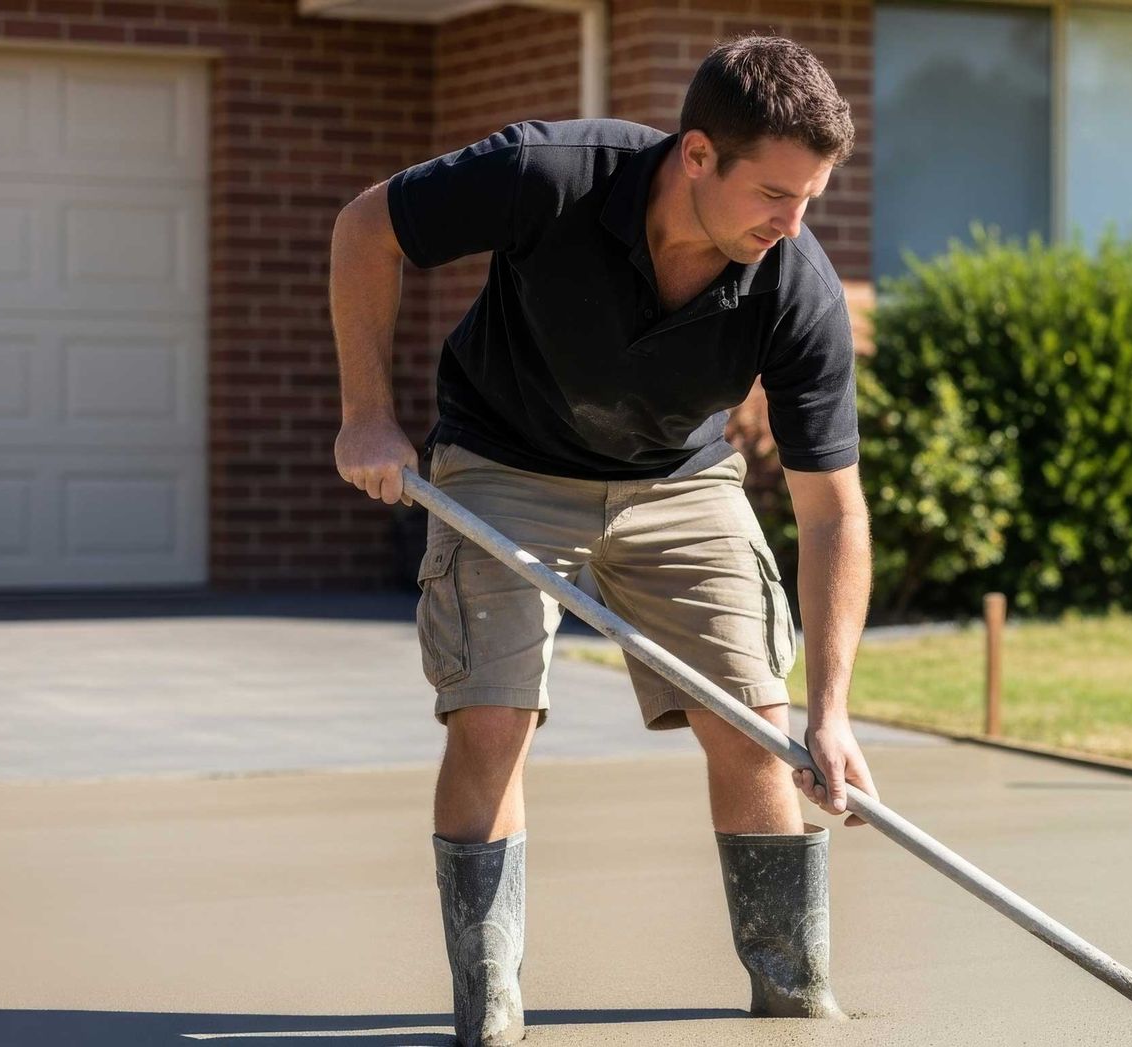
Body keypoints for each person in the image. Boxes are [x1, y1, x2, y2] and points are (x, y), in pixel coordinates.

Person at [327, 35, 878, 1047]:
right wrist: (368, 413)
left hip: (680, 482)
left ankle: (795, 994)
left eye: (810, 199)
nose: (792, 224)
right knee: (492, 717)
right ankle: (490, 1005)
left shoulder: (794, 286)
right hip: (502, 464)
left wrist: (832, 714)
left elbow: (834, 510)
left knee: (759, 730)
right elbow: (371, 226)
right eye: (773, 193)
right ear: (698, 154)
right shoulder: (549, 174)